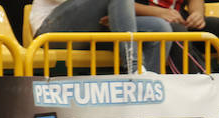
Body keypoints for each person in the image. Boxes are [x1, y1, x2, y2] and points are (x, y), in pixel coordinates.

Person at [29, 0, 173, 73]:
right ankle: (135, 69)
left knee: (160, 28)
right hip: (52, 32)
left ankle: (151, 89)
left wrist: (115, 16)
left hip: (95, 30)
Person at [135, 0, 219, 72]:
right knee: (176, 31)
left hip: (179, 18)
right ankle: (203, 82)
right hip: (144, 21)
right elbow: (120, 7)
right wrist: (157, 12)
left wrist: (197, 13)